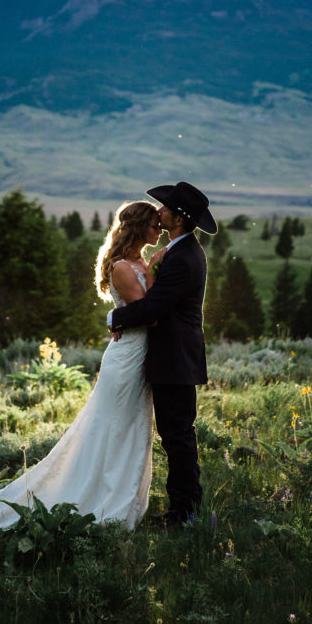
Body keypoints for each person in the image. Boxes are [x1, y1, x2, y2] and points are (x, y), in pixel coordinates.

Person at [0, 200, 162, 537]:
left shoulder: (140, 260)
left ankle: (123, 497)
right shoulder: (125, 267)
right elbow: (148, 313)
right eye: (154, 222)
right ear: (139, 225)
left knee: (133, 429)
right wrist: (153, 272)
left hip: (140, 356)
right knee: (113, 430)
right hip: (126, 361)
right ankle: (101, 499)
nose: (160, 227)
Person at [108, 181, 217, 528]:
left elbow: (153, 307)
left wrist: (114, 317)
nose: (160, 211)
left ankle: (184, 513)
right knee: (177, 434)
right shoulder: (180, 252)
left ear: (180, 217)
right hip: (174, 357)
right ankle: (184, 508)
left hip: (175, 359)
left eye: (166, 207)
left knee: (177, 436)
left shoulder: (184, 257)